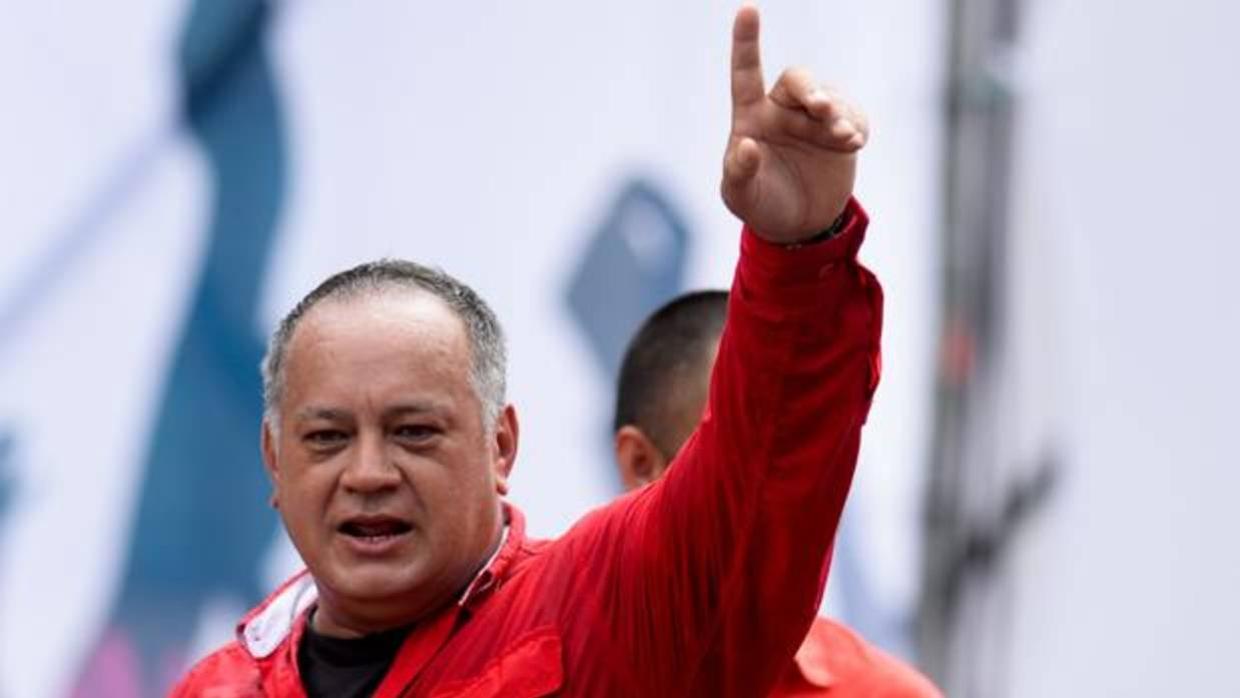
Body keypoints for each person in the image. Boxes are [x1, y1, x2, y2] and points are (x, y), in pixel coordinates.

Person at [173, 5, 882, 696]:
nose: (367, 473)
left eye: (413, 431)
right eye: (327, 437)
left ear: (500, 446)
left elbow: (751, 505)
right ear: (274, 459)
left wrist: (798, 257)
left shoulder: (598, 612)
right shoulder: (217, 687)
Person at [613, 290, 942, 697]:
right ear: (641, 464)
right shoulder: (567, 665)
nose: (789, 493)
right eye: (744, 453)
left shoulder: (885, 693)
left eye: (803, 450)